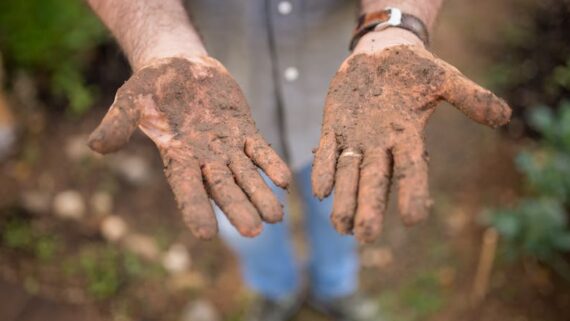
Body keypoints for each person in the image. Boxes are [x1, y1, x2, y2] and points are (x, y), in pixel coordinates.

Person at [86, 0, 511, 320]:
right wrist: (161, 40)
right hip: (214, 112)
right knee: (246, 223)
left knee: (344, 209)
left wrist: (394, 25)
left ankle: (335, 288)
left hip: (348, 101)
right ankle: (277, 292)